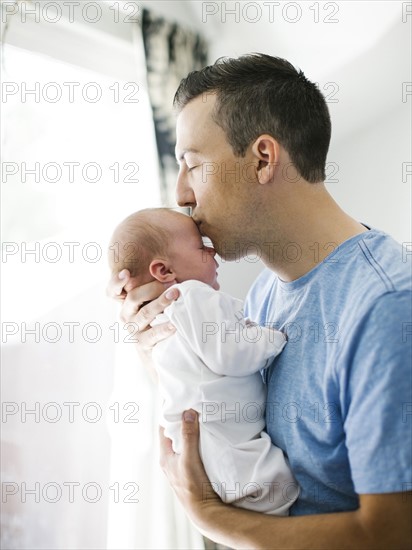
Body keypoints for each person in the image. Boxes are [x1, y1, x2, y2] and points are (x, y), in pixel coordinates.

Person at [108, 54, 412, 548]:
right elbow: (216, 411)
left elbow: (392, 534)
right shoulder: (265, 297)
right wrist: (158, 344)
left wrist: (208, 517)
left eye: (192, 164)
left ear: (263, 158)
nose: (182, 193)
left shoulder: (387, 308)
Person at [108, 207, 298, 514]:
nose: (212, 250)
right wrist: (272, 338)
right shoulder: (190, 295)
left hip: (210, 449)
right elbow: (229, 354)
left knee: (264, 506)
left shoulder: (160, 320)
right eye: (201, 246)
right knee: (277, 497)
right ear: (164, 271)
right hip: (224, 445)